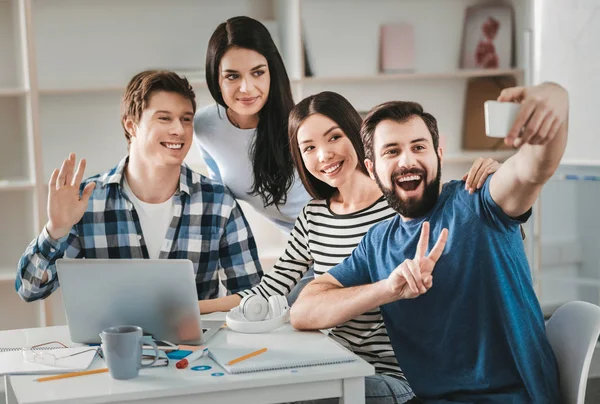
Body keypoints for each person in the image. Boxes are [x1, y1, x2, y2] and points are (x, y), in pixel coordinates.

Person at [200, 91, 500, 403]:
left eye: (334, 137)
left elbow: (472, 232)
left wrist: (494, 180)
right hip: (334, 362)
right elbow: (270, 289)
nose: (324, 155)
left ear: (357, 136)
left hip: (398, 375)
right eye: (309, 148)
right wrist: (192, 310)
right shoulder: (314, 216)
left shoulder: (402, 204)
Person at [291, 83, 568, 403]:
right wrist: (388, 288)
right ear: (372, 168)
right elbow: (304, 311)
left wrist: (555, 99)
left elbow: (533, 168)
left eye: (419, 147)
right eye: (391, 151)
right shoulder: (378, 242)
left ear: (438, 153)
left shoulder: (479, 201)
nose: (407, 160)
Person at [16, 70, 262, 302]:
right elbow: (30, 289)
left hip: (194, 347)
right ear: (131, 125)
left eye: (186, 119)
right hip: (111, 346)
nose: (179, 130)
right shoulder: (87, 201)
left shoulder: (218, 202)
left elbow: (252, 296)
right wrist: (56, 230)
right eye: (164, 118)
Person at [194, 16, 312, 303]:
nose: (246, 88)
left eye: (257, 73)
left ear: (272, 72)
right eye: (232, 76)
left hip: (341, 244)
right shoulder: (205, 126)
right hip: (299, 255)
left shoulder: (301, 125)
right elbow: (219, 200)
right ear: (216, 78)